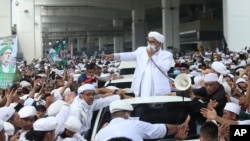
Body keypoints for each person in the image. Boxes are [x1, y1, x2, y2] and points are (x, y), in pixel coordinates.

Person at [102, 31, 173, 97]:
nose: (150, 44)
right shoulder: (141, 50)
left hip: (158, 88)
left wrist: (152, 56)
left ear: (160, 43)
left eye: (152, 42)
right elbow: (130, 55)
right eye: (149, 41)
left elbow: (165, 67)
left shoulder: (166, 54)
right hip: (143, 87)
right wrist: (115, 56)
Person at [94, 100, 190, 141]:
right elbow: (163, 130)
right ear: (128, 113)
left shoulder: (100, 134)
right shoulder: (135, 124)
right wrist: (180, 128)